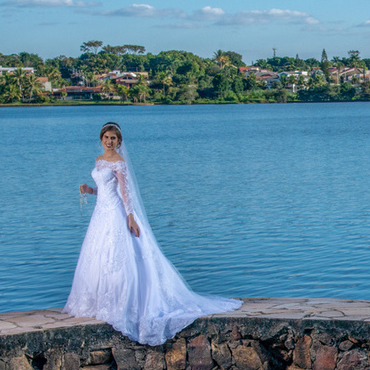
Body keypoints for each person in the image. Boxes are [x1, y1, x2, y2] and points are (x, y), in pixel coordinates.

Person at [64, 122, 240, 345]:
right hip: (100, 214)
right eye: (107, 138)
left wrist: (130, 216)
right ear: (101, 139)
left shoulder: (120, 162)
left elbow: (125, 192)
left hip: (117, 214)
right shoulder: (99, 161)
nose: (110, 141)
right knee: (99, 257)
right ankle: (100, 302)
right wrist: (89, 190)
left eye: (114, 139)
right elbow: (105, 191)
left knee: (118, 257)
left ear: (119, 142)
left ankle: (123, 304)